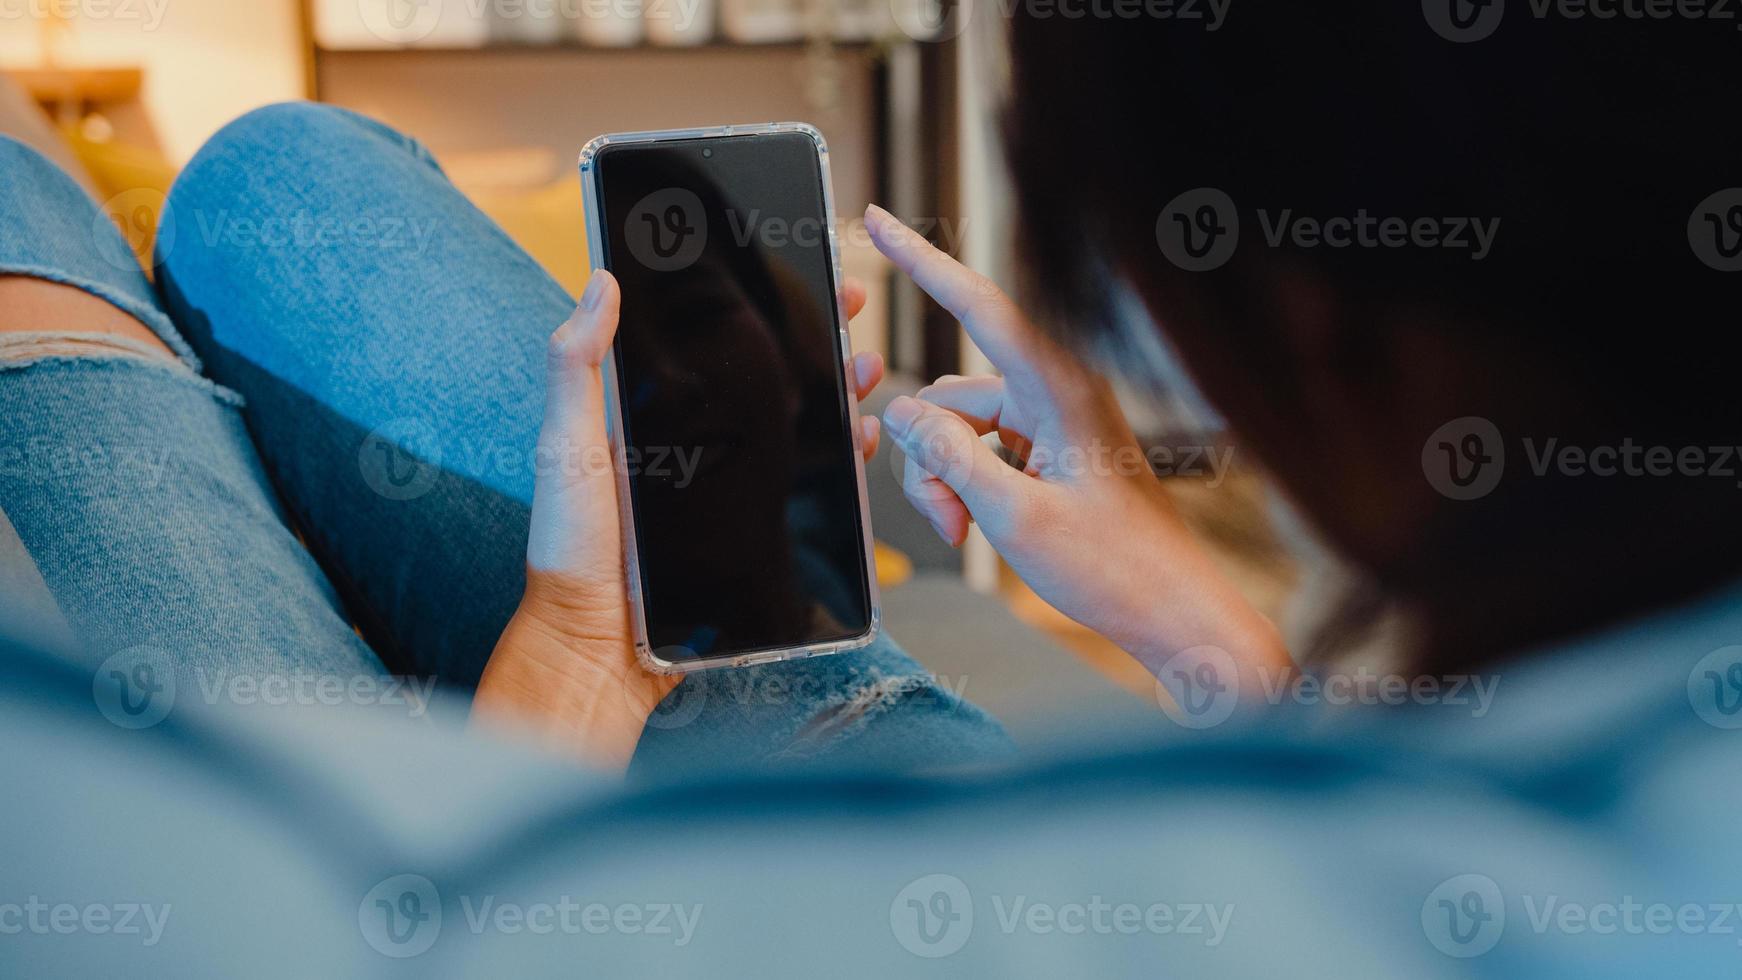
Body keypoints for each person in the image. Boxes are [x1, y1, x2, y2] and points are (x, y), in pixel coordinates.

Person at [5, 4, 1742, 975]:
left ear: (1307, 335)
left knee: (53, 210)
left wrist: (571, 658)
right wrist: (1200, 627)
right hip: (838, 767)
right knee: (288, 178)